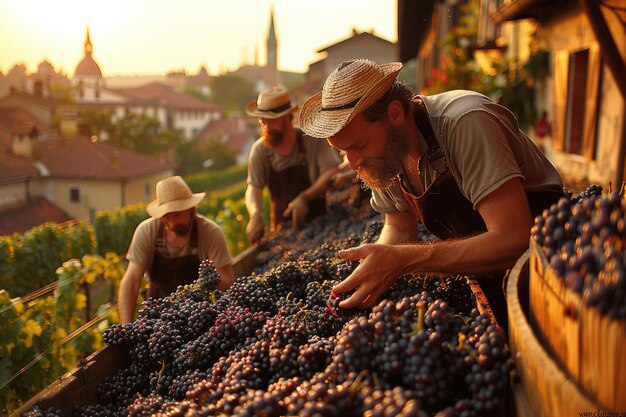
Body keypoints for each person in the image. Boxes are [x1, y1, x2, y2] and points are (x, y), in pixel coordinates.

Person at [299, 59, 565, 326]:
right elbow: (399, 227)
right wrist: (372, 268)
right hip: (485, 269)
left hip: (552, 270)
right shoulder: (389, 154)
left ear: (395, 114)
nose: (353, 164)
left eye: (359, 145)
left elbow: (515, 239)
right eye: (344, 152)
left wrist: (405, 260)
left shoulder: (465, 124)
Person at [118, 176, 234, 324]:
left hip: (198, 317)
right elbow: (132, 280)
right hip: (157, 318)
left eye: (177, 214)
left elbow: (228, 280)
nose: (172, 223)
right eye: (167, 216)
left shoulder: (210, 232)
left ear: (191, 210)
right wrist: (126, 326)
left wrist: (212, 280)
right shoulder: (147, 231)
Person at [244, 86, 342, 244]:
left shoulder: (310, 139)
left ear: (286, 117)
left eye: (272, 122)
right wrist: (255, 214)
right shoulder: (260, 150)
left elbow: (331, 171)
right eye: (263, 122)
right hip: (283, 232)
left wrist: (305, 197)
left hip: (321, 225)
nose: (267, 128)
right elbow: (253, 189)